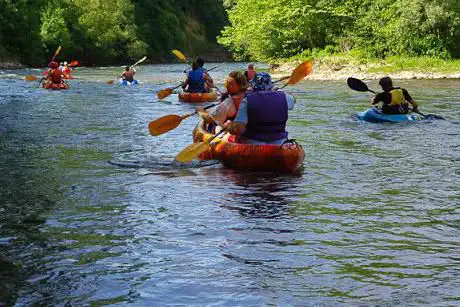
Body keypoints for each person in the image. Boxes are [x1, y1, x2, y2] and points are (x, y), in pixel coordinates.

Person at [223, 72, 296, 145]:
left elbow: (239, 129)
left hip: (254, 143)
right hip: (279, 142)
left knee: (228, 137)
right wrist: (279, 91)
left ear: (254, 85)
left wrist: (229, 126)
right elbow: (293, 99)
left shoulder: (247, 101)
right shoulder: (284, 97)